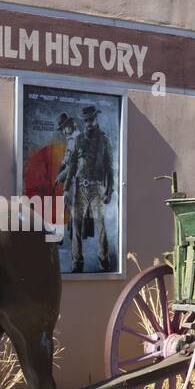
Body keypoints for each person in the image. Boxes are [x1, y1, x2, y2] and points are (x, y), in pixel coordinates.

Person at [58, 105, 113, 272]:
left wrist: (109, 190)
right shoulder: (79, 139)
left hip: (97, 189)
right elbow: (73, 166)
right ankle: (77, 262)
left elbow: (109, 168)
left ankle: (103, 259)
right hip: (80, 187)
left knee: (101, 225)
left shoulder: (104, 140)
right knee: (76, 225)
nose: (89, 122)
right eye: (86, 120)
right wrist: (66, 189)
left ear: (96, 118)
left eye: (91, 119)